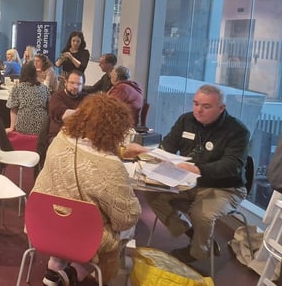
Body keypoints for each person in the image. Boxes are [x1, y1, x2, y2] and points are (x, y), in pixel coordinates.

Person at [127, 85, 250, 265]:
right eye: (196, 104)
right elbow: (167, 147)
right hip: (187, 181)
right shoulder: (186, 120)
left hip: (225, 187)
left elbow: (231, 165)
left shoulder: (237, 131)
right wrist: (149, 154)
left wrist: (198, 169)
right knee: (152, 195)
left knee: (202, 215)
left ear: (221, 108)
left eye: (206, 106)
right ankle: (192, 233)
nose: (198, 110)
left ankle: (199, 252)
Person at [33, 93, 140, 286]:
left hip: (43, 225)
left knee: (69, 203)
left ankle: (55, 266)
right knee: (125, 227)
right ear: (115, 130)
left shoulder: (60, 139)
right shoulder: (111, 166)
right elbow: (126, 218)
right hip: (82, 237)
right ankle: (77, 271)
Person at [6, 61, 50, 135]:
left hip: (22, 126)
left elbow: (13, 108)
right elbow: (49, 106)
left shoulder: (17, 87)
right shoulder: (44, 88)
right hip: (42, 127)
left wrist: (11, 127)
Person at [47, 70, 85, 141]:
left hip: (79, 138)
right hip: (57, 136)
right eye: (72, 83)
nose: (75, 86)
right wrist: (83, 112)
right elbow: (65, 117)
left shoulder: (86, 98)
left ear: (83, 86)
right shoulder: (57, 97)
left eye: (79, 84)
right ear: (66, 83)